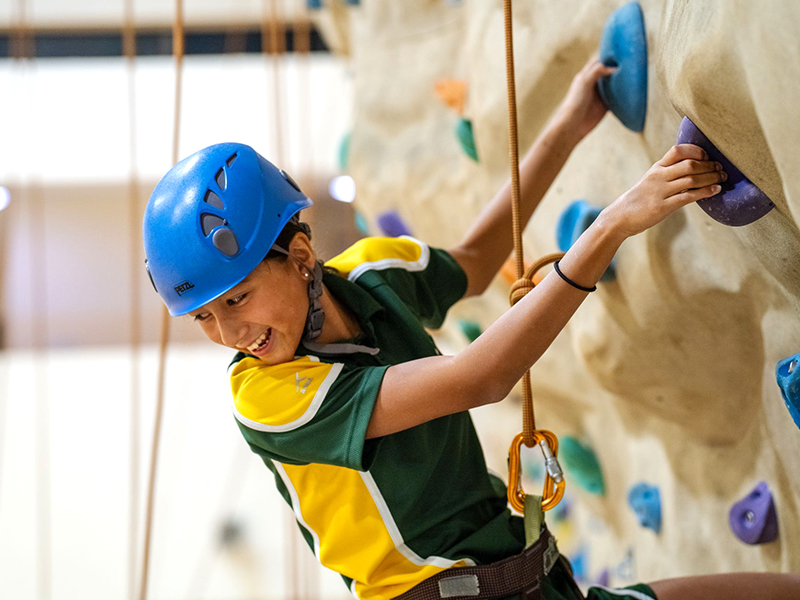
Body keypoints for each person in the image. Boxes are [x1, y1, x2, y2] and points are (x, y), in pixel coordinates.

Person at [142, 59, 800, 600]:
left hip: (525, 577)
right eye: (205, 316)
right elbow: (480, 378)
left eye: (239, 299)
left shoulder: (373, 272)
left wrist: (566, 127)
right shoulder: (266, 398)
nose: (229, 331)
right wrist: (610, 228)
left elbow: (480, 261)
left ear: (303, 256)